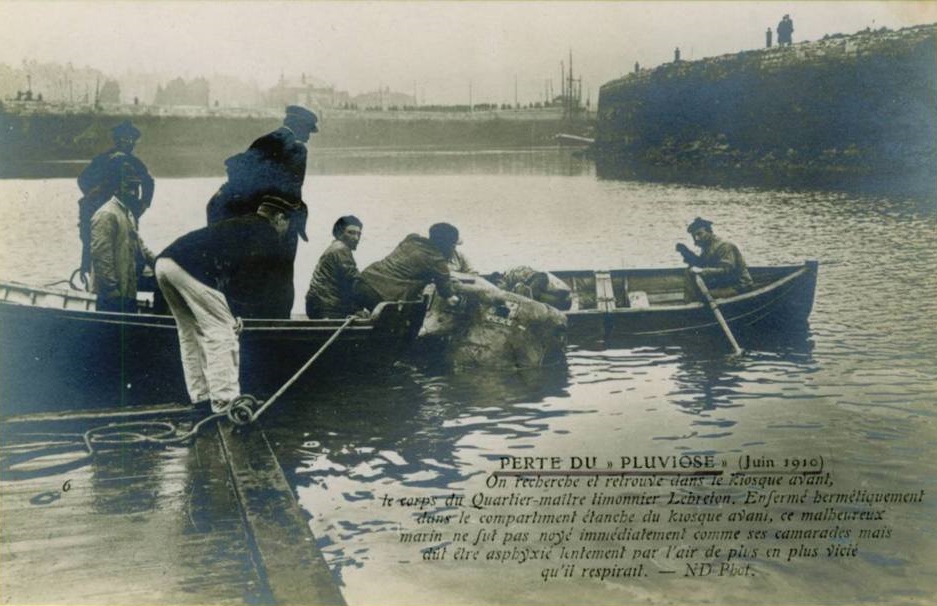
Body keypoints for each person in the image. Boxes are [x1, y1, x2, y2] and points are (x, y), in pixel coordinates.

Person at [155, 195, 300, 412]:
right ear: (279, 218)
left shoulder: (241, 224)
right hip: (191, 269)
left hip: (165, 263)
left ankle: (201, 396)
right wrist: (237, 312)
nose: (285, 231)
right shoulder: (266, 232)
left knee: (190, 333)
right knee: (223, 333)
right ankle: (225, 401)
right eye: (287, 225)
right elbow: (246, 276)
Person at [206, 105, 319, 317]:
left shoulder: (263, 141)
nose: (308, 137)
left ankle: (254, 317)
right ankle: (279, 321)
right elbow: (292, 189)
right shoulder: (297, 148)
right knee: (281, 273)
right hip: (278, 217)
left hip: (250, 217)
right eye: (308, 131)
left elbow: (246, 180)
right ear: (300, 126)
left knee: (255, 272)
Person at [78, 120, 154, 275]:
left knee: (127, 247)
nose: (129, 142)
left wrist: (144, 204)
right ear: (117, 140)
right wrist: (93, 192)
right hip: (99, 209)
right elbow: (83, 179)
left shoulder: (135, 163)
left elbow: (149, 182)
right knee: (97, 248)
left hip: (128, 210)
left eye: (131, 139)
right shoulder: (102, 160)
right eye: (125, 139)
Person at [89, 157, 156, 313]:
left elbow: (141, 247)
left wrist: (159, 263)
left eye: (136, 187)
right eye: (128, 187)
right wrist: (111, 289)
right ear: (116, 187)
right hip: (112, 294)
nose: (133, 192)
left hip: (127, 289)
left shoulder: (127, 213)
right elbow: (101, 256)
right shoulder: (106, 214)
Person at [356, 223, 461, 310]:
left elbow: (412, 268)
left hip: (362, 281)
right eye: (454, 245)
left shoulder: (411, 239)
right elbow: (448, 295)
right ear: (449, 245)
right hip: (380, 294)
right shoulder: (437, 261)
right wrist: (455, 298)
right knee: (400, 326)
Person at [676, 217, 753, 302]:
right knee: (689, 273)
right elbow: (702, 263)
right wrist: (687, 253)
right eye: (694, 236)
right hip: (723, 283)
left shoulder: (724, 246)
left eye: (699, 234)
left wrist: (702, 271)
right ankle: (689, 304)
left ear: (709, 232)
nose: (697, 238)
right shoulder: (707, 246)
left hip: (739, 285)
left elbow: (726, 270)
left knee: (703, 296)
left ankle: (692, 308)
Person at [305, 215, 365, 319]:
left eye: (358, 234)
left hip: (319, 305)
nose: (356, 238)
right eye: (351, 232)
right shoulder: (340, 249)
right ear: (339, 233)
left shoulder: (334, 248)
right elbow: (353, 280)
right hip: (328, 307)